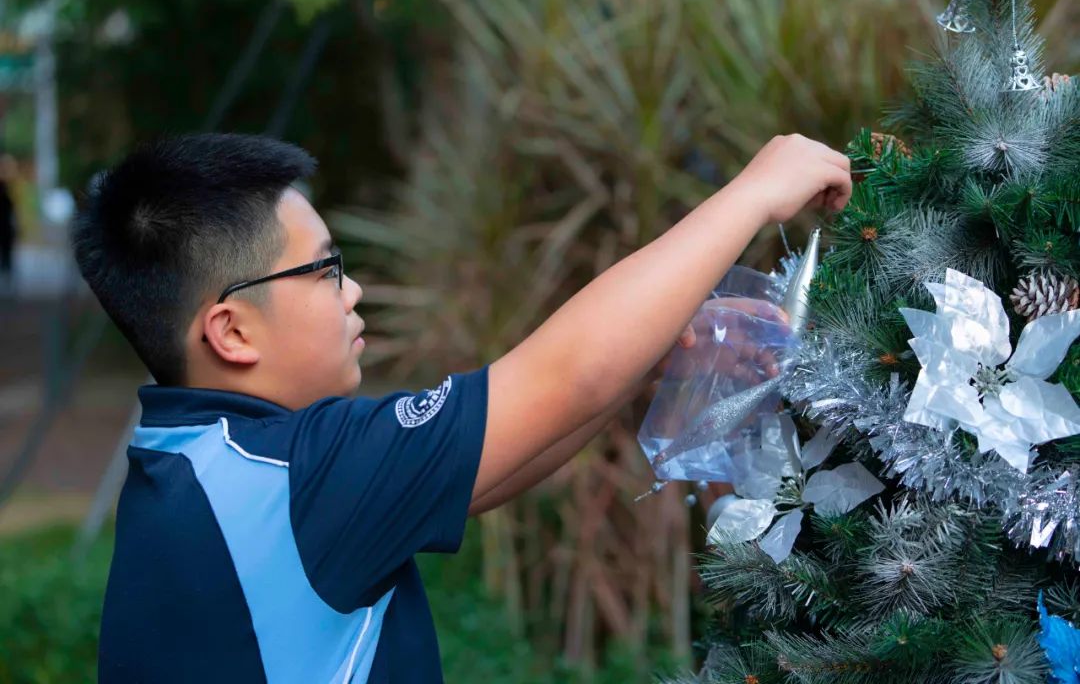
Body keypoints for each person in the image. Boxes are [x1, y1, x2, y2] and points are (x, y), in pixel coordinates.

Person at [72, 132, 850, 683]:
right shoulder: (292, 483)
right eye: (324, 270)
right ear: (232, 330)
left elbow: (509, 449)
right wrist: (753, 192)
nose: (352, 290)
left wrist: (646, 366)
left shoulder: (193, 466)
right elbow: (563, 378)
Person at [0, 154, 16, 295]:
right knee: (6, 257)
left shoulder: (7, 196)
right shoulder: (7, 196)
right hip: (6, 231)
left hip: (6, 231)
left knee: (6, 257)